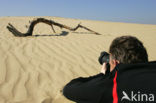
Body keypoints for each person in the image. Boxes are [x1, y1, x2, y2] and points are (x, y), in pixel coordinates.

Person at [63, 36, 156, 103]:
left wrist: (101, 76)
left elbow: (68, 90)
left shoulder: (112, 85)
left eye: (110, 61)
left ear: (115, 63)